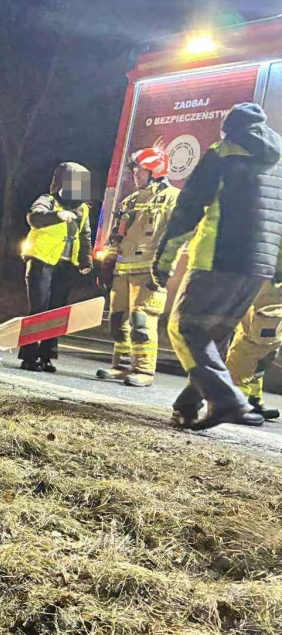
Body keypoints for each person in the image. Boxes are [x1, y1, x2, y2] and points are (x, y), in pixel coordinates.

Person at [152, 102, 282, 429]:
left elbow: (189, 207)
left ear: (229, 129)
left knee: (183, 327)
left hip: (218, 256)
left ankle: (227, 401)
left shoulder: (221, 153)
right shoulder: (278, 163)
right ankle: (188, 406)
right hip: (259, 266)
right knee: (215, 334)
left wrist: (164, 259)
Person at [95, 147, 179, 387]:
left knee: (142, 321)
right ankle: (120, 366)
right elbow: (115, 236)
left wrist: (164, 269)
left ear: (156, 171)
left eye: (140, 170)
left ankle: (143, 370)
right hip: (123, 270)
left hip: (149, 271)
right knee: (117, 320)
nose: (135, 175)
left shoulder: (173, 198)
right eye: (134, 170)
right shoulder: (130, 200)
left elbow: (177, 236)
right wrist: (108, 263)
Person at [18, 162, 93, 372]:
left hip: (66, 265)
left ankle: (47, 356)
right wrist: (56, 216)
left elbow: (85, 235)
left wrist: (86, 260)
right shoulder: (48, 201)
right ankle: (29, 356)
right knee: (39, 308)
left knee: (56, 312)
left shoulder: (83, 208)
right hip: (41, 260)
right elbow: (34, 218)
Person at [226, 281, 282, 420]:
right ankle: (235, 405)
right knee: (253, 345)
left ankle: (252, 400)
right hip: (269, 281)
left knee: (265, 350)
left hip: (271, 282)